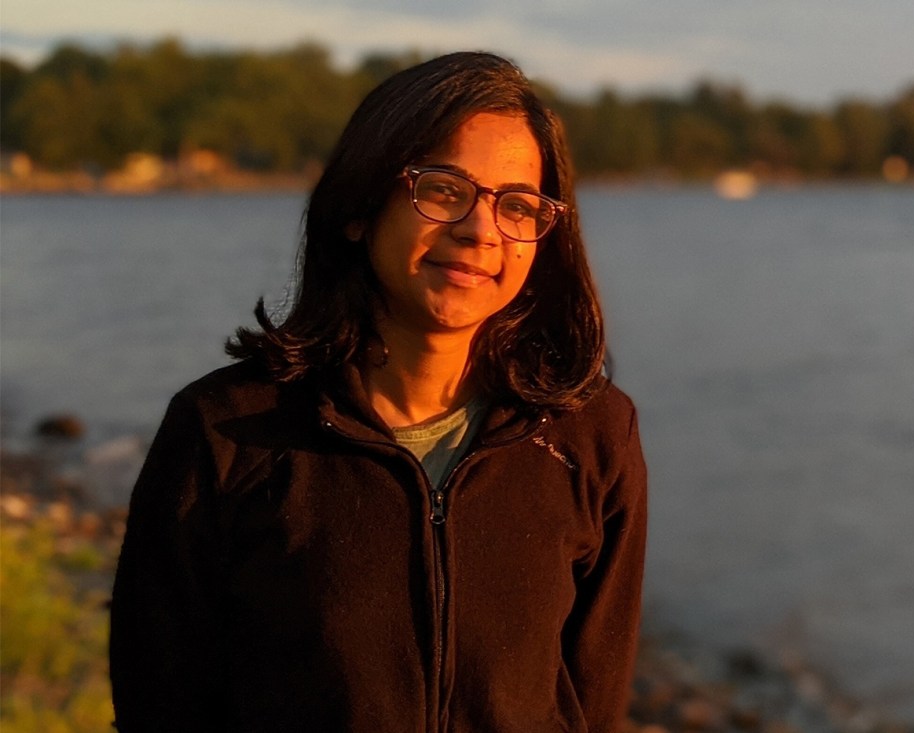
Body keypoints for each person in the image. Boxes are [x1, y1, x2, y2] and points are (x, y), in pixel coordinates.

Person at [109, 51, 647, 733]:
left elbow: (595, 702)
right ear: (361, 206)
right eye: (445, 189)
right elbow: (160, 705)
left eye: (518, 206)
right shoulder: (225, 431)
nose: (482, 230)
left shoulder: (592, 434)